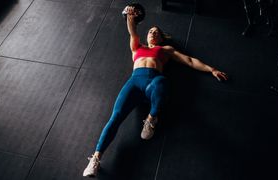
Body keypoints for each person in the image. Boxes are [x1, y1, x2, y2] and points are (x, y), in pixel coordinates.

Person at [83, 6, 228, 177]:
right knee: (115, 117)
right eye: (150, 31)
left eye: (156, 32)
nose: (152, 32)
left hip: (154, 82)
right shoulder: (137, 46)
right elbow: (132, 30)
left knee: (162, 82)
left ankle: (151, 118)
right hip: (134, 83)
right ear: (147, 35)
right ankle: (96, 158)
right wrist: (130, 16)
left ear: (161, 37)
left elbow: (189, 61)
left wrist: (211, 69)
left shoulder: (165, 50)